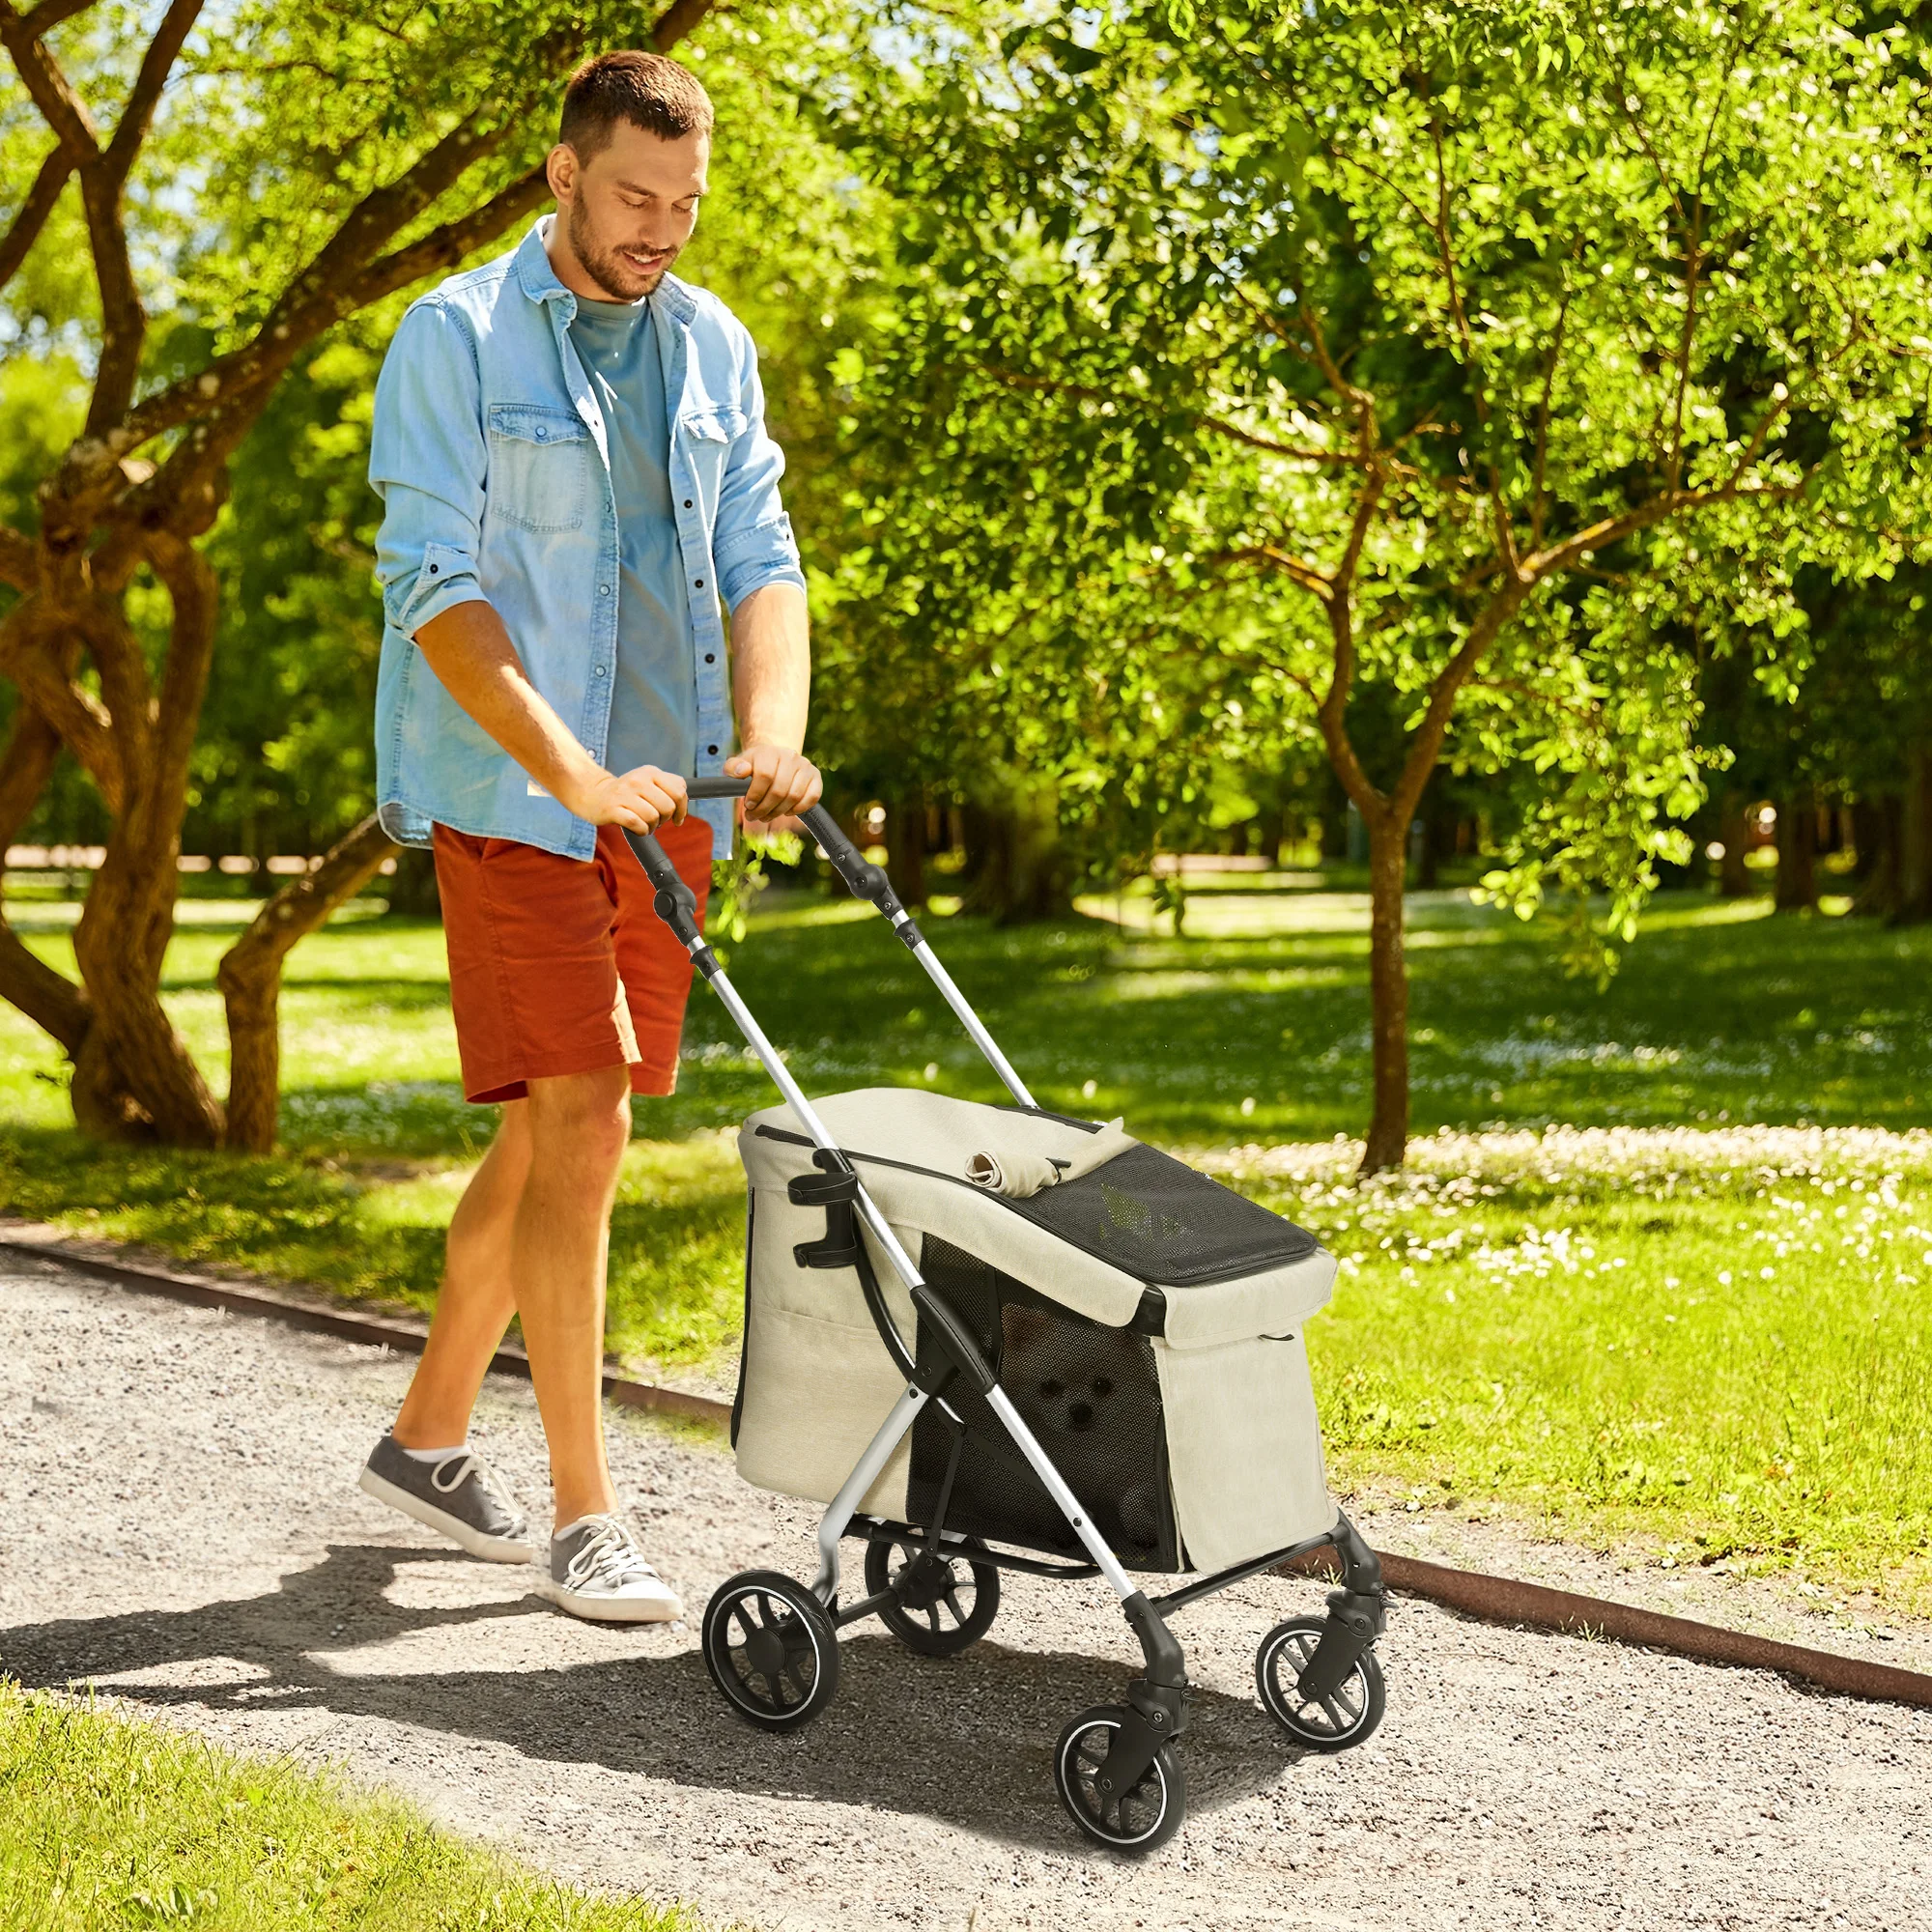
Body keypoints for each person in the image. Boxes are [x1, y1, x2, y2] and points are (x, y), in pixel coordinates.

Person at [355, 49, 821, 1623]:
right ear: (563, 174)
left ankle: (426, 1441)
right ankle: (585, 1510)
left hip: (668, 802)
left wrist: (769, 733)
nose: (663, 231)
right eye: (636, 197)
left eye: (687, 205)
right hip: (515, 800)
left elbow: (762, 552)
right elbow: (434, 587)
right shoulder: (458, 338)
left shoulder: (709, 348)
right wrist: (565, 773)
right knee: (592, 1127)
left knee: (557, 1124)